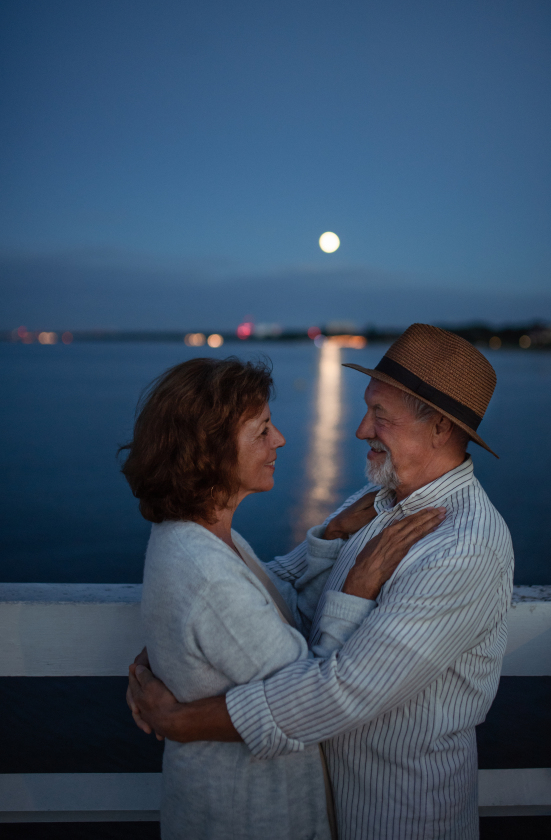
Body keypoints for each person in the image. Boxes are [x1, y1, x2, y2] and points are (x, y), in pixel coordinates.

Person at [129, 325, 514, 840]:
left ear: (440, 427)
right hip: (331, 805)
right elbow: (271, 597)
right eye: (366, 408)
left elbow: (343, 690)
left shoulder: (462, 547)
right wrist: (177, 644)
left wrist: (183, 720)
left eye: (380, 416)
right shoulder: (379, 500)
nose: (360, 430)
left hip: (399, 817)